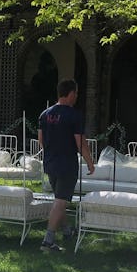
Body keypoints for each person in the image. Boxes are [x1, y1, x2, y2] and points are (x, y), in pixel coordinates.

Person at [38, 78, 95, 252]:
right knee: (61, 202)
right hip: (67, 165)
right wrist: (90, 163)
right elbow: (81, 144)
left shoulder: (44, 114)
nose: (77, 96)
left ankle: (67, 230)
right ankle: (48, 241)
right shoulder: (74, 115)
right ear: (70, 93)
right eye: (76, 93)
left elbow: (41, 141)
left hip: (50, 163)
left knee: (59, 199)